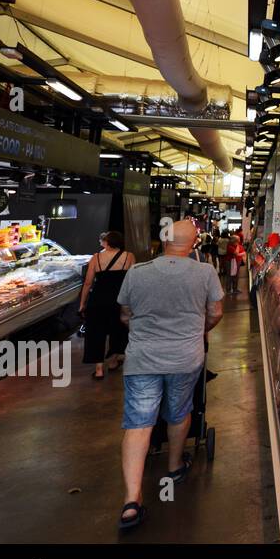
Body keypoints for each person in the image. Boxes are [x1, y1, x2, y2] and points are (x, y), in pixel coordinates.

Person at [115, 219, 223, 530]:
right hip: (185, 358)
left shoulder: (138, 273)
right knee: (178, 412)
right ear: (193, 245)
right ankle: (175, 467)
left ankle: (131, 501)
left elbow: (125, 313)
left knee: (138, 423)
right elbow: (215, 312)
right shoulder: (204, 272)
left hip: (142, 359)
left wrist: (147, 331)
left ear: (164, 242)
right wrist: (195, 331)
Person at [78, 231, 135, 379]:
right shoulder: (128, 256)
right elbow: (132, 281)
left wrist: (82, 303)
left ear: (107, 243)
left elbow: (88, 283)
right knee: (118, 330)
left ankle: (98, 370)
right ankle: (113, 361)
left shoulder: (96, 258)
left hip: (97, 300)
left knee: (96, 333)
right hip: (119, 300)